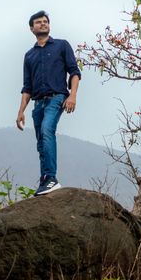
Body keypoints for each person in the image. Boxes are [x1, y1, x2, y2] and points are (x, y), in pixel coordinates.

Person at [15, 10, 81, 195]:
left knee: (46, 131)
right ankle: (45, 179)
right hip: (38, 104)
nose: (43, 24)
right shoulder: (29, 55)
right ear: (31, 28)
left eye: (45, 21)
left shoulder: (61, 45)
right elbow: (27, 87)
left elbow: (74, 72)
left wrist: (72, 96)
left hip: (57, 98)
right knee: (40, 143)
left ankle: (51, 177)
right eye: (38, 22)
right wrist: (21, 111)